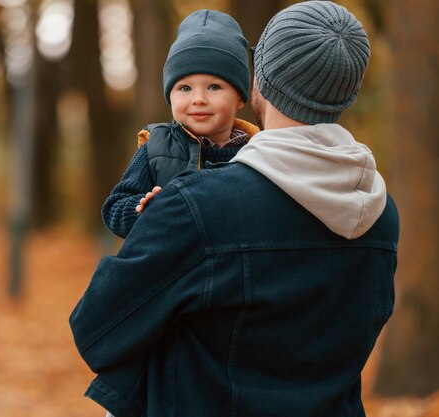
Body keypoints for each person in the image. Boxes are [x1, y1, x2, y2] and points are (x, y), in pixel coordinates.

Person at [70, 2, 399, 417]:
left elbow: (96, 329)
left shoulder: (197, 207)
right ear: (348, 92)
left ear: (256, 83)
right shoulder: (381, 214)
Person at [102, 9, 259, 238]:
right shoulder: (155, 148)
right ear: (170, 95)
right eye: (185, 88)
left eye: (214, 87)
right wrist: (143, 209)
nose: (198, 99)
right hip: (175, 269)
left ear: (239, 98)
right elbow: (114, 209)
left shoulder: (257, 152)